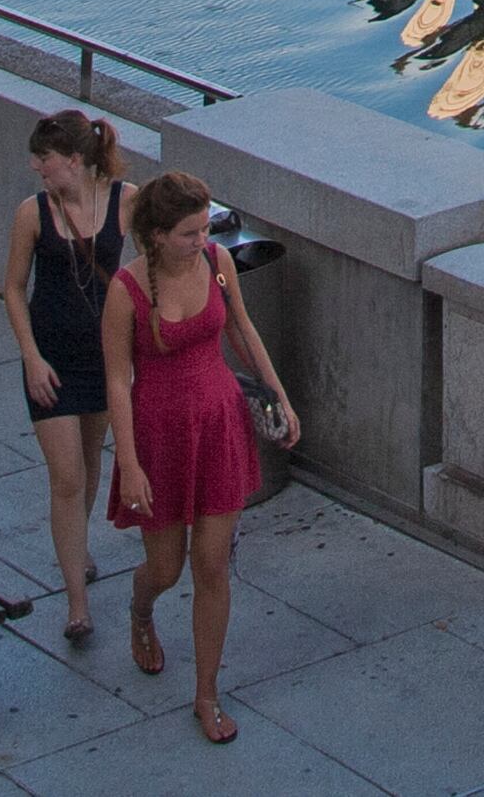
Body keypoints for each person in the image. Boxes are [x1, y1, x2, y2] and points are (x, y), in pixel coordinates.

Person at [105, 171, 299, 744]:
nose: (203, 238)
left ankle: (207, 694)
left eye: (205, 226)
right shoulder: (127, 291)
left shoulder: (217, 262)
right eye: (190, 232)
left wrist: (279, 397)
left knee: (212, 564)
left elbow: (243, 328)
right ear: (158, 235)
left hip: (218, 421)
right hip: (159, 431)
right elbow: (118, 383)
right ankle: (141, 610)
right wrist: (131, 463)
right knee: (165, 568)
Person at [1, 115, 128, 644]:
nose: (36, 167)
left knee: (89, 462)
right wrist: (31, 357)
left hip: (103, 359)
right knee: (67, 478)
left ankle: (79, 549)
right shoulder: (33, 214)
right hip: (52, 358)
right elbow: (13, 288)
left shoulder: (125, 200)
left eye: (44, 159)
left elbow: (158, 248)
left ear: (73, 161)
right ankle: (77, 604)